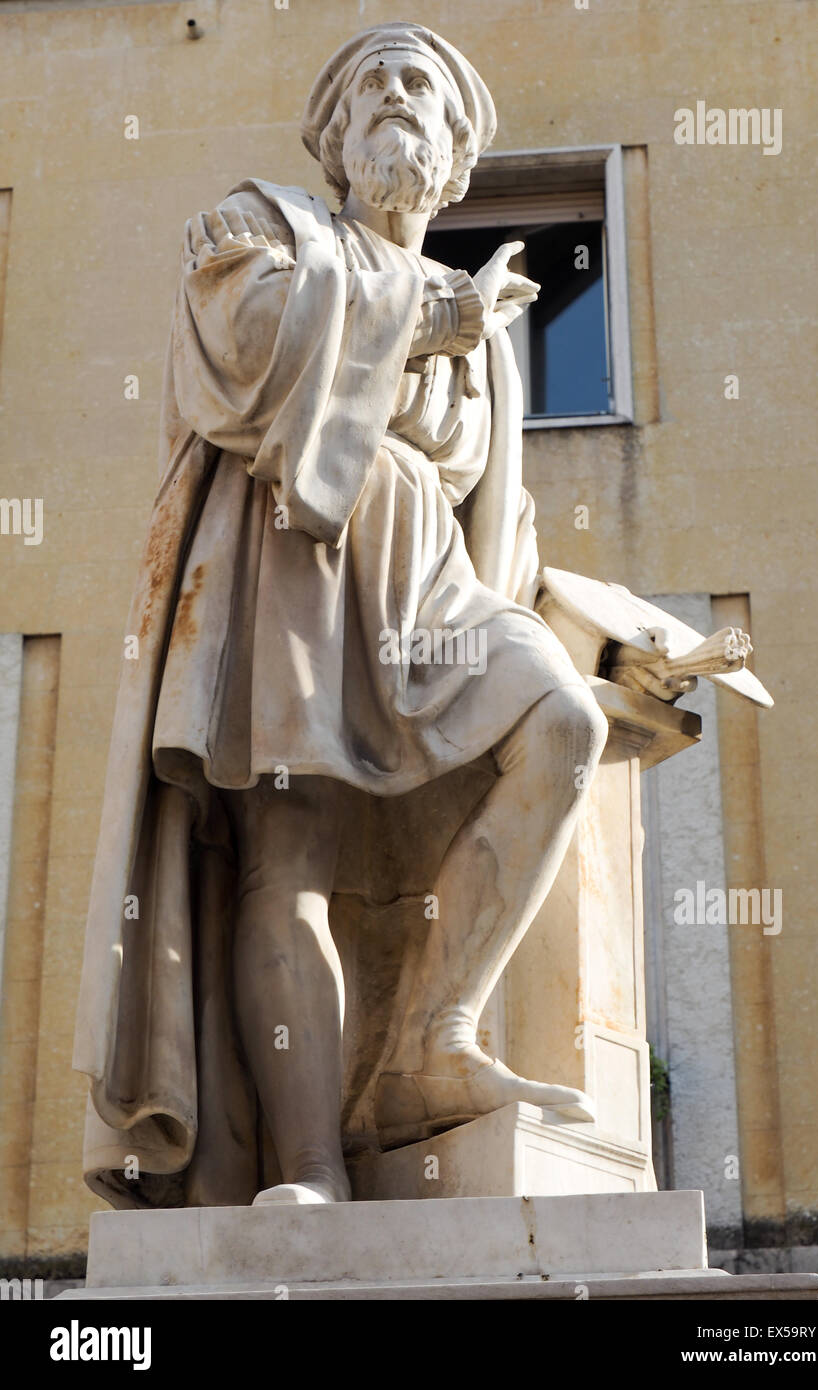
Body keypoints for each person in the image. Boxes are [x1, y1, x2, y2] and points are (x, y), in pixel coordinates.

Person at [73, 22, 608, 1211]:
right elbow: (243, 346)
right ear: (335, 137)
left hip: (433, 592)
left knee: (560, 722)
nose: (392, 97)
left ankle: (433, 1032)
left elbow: (496, 525)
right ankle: (308, 1163)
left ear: (457, 149)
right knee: (289, 854)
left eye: (418, 85)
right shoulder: (272, 226)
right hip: (294, 564)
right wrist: (421, 324)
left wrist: (610, 642)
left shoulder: (484, 330)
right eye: (369, 87)